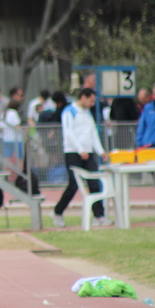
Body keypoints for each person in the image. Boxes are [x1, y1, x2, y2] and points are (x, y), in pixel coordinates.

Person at [51, 88, 110, 228]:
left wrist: (100, 150)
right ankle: (57, 212)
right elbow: (68, 133)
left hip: (88, 153)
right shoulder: (69, 112)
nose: (92, 104)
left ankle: (99, 216)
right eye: (90, 100)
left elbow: (93, 133)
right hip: (73, 152)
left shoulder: (88, 113)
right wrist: (80, 149)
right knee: (73, 185)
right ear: (83, 97)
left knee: (94, 184)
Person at [0, 99, 23, 163]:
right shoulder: (13, 112)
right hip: (16, 139)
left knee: (7, 158)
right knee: (20, 158)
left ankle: (5, 172)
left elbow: (0, 127)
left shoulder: (3, 113)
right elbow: (17, 126)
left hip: (6, 138)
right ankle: (19, 172)